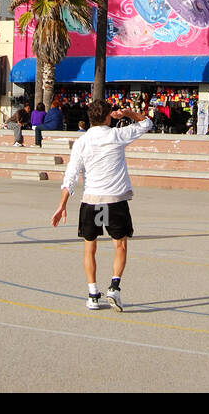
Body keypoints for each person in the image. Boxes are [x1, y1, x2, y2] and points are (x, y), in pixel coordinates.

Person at [51, 102, 152, 311]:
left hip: (91, 201)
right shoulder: (117, 135)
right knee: (120, 245)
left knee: (90, 247)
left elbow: (70, 176)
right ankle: (114, 287)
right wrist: (129, 113)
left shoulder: (82, 142)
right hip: (115, 201)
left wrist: (62, 205)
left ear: (89, 118)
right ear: (108, 117)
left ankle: (92, 294)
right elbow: (146, 124)